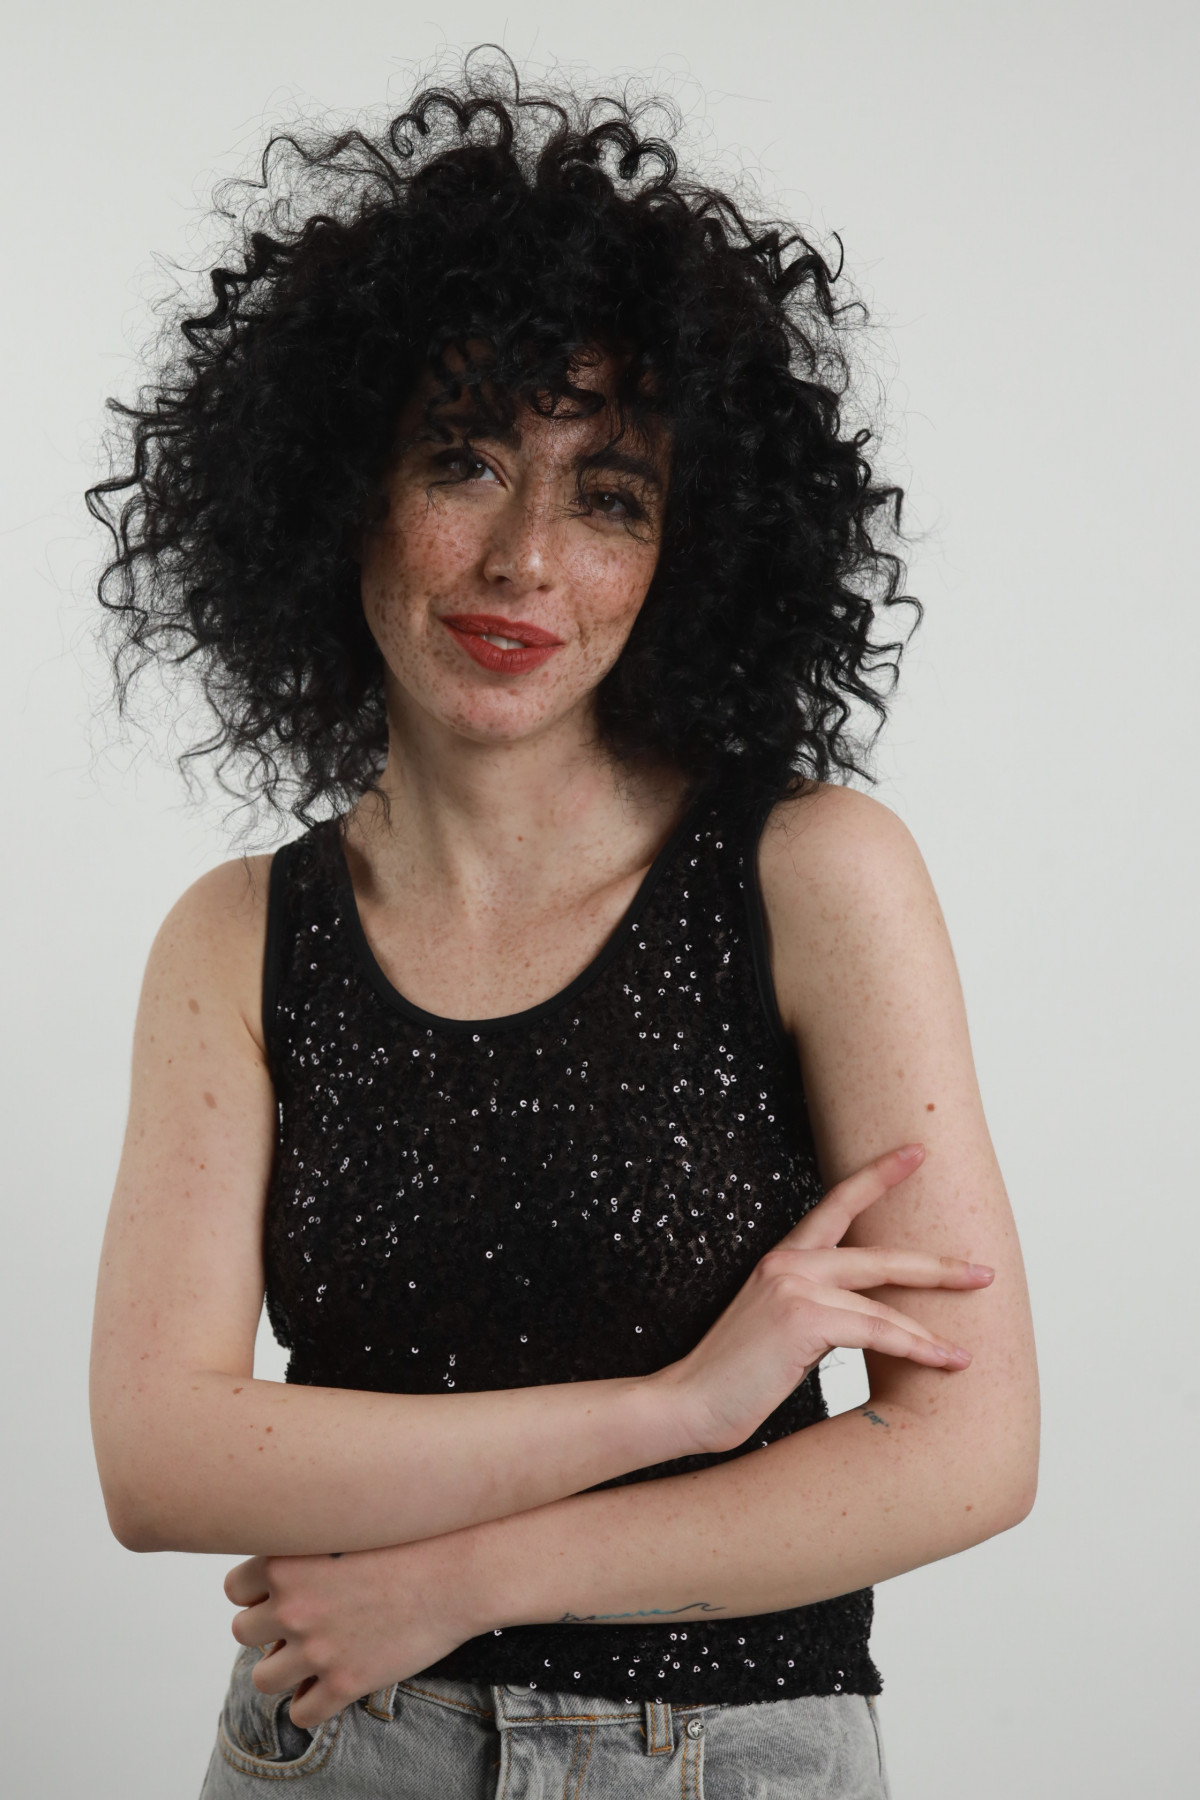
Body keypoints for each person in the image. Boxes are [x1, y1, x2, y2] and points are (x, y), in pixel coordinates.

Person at [87, 59, 1039, 1799]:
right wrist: (674, 1413)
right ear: (338, 487)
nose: (525, 558)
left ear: (689, 551)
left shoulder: (810, 876)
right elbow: (161, 1459)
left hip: (733, 1760)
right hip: (340, 1748)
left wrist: (467, 1579)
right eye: (464, 461)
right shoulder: (239, 940)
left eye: (609, 494)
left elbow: (970, 1451)